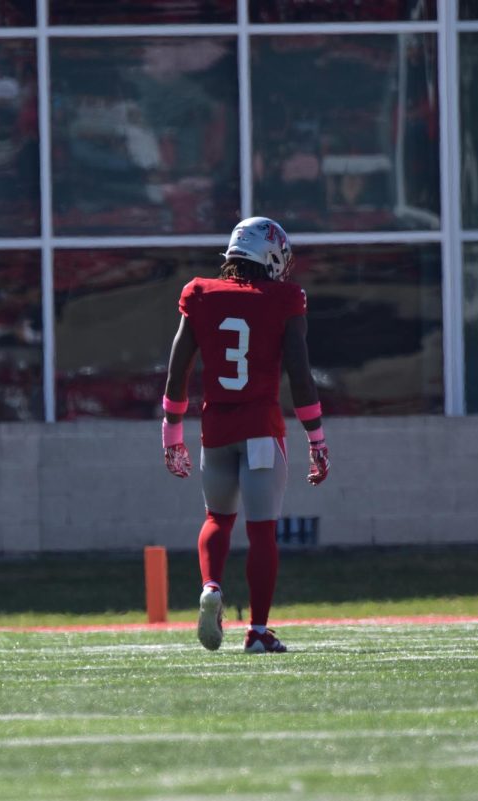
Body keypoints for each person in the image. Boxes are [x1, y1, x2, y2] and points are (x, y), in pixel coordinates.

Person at [160, 216, 330, 654]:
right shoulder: (285, 298)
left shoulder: (199, 293)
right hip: (260, 431)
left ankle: (211, 585)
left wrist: (171, 431)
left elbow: (179, 368)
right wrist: (316, 437)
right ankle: (256, 631)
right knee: (262, 532)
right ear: (270, 257)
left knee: (217, 518)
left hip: (215, 429)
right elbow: (300, 373)